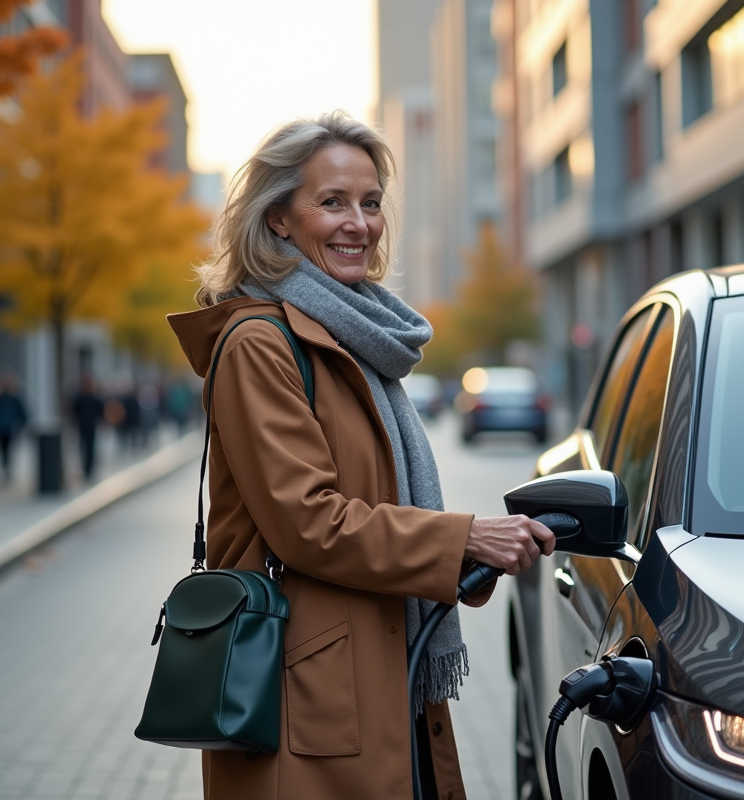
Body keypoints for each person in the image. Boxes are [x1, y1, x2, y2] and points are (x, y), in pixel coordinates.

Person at [168, 112, 554, 800]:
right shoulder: (261, 343)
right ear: (279, 219)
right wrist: (462, 537)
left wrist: (471, 549)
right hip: (305, 699)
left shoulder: (353, 337)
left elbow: (372, 504)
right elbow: (308, 523)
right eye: (332, 202)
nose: (359, 223)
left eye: (370, 202)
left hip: (376, 676)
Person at [0, 372, 28, 485]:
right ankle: (5, 469)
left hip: (9, 429)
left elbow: (22, 412)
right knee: (3, 451)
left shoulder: (13, 397)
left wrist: (21, 424)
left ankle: (6, 469)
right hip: (1, 428)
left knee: (7, 450)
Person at [70, 374, 105, 480]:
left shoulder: (94, 397)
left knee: (90, 447)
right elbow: (74, 411)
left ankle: (89, 468)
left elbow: (101, 410)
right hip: (82, 426)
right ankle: (85, 468)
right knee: (83, 447)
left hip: (91, 426)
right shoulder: (80, 397)